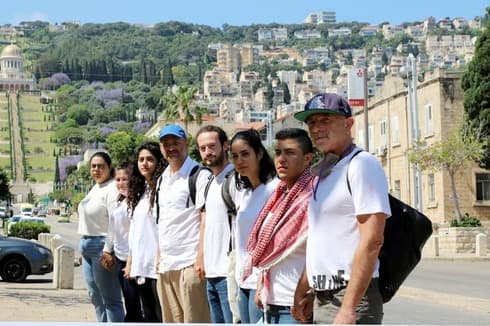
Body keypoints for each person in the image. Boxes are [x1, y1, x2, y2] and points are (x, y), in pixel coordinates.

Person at [292, 93, 391, 324]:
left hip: (347, 298)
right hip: (322, 298)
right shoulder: (323, 173)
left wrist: (348, 309)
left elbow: (372, 240)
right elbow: (322, 241)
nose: (316, 128)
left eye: (325, 120)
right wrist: (303, 289)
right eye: (311, 122)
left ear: (348, 124)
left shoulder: (362, 165)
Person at [244, 128, 315, 324]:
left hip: (295, 306)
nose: (281, 159)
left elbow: (320, 251)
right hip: (270, 303)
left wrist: (306, 293)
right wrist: (260, 285)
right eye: (278, 152)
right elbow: (268, 249)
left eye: (290, 153)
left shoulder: (314, 196)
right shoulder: (279, 195)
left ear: (308, 159)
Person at [157, 124, 212, 323]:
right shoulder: (162, 179)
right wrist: (159, 257)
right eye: (166, 144)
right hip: (166, 265)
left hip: (190, 263)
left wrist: (200, 257)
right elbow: (163, 220)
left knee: (195, 320)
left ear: (186, 144)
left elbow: (205, 217)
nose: (171, 148)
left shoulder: (199, 174)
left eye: (175, 143)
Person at [230, 128, 279, 324]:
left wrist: (261, 280)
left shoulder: (274, 189)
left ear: (259, 154)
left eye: (245, 154)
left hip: (261, 281)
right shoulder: (245, 192)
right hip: (242, 278)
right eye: (234, 156)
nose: (239, 160)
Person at [77, 151, 124, 322]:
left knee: (110, 298)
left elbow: (115, 222)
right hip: (87, 245)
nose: (96, 169)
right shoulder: (95, 188)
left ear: (109, 168)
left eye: (101, 166)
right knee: (95, 297)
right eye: (93, 166)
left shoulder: (112, 188)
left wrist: (108, 250)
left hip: (102, 247)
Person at [195, 125, 236, 323]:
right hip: (211, 272)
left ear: (225, 145)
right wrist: (200, 257)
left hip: (228, 272)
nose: (207, 152)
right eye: (202, 148)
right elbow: (205, 221)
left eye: (212, 146)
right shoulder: (210, 181)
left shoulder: (236, 179)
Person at [125, 142, 165, 322]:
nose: (144, 163)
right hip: (141, 265)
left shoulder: (162, 189)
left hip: (157, 265)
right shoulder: (140, 192)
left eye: (150, 159)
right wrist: (131, 259)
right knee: (148, 315)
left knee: (160, 314)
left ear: (158, 162)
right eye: (141, 159)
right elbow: (135, 231)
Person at [100, 161, 144, 322]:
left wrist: (132, 260)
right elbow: (113, 229)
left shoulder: (138, 202)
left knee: (135, 308)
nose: (120, 183)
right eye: (117, 179)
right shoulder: (120, 201)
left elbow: (136, 233)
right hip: (120, 258)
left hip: (133, 261)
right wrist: (107, 250)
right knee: (130, 303)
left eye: (125, 179)